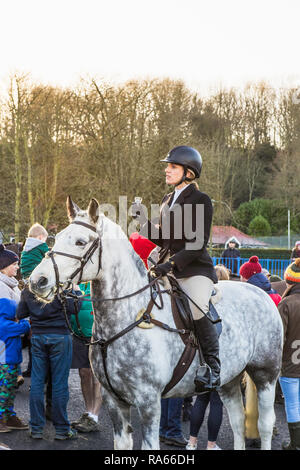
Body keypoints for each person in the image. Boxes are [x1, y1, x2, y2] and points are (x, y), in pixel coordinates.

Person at [132, 145, 220, 394]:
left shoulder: (201, 200)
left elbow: (197, 244)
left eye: (172, 166)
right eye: (167, 166)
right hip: (167, 268)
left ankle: (212, 367)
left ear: (189, 173)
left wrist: (169, 264)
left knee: (196, 308)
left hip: (195, 270)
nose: (166, 170)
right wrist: (142, 222)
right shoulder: (167, 200)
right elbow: (165, 240)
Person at [17, 285, 82, 440]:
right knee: (59, 383)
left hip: (38, 336)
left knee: (37, 382)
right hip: (60, 336)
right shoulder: (62, 286)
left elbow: (21, 313)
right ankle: (62, 430)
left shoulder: (30, 287)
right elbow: (76, 307)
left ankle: (36, 428)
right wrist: (77, 290)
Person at [185, 264, 225, 451]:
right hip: (217, 357)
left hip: (198, 358)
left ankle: (192, 442)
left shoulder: (194, 301)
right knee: (216, 401)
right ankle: (211, 445)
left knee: (200, 400)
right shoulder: (220, 303)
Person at [70, 282, 102, 433]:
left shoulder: (96, 282)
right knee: (84, 373)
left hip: (97, 337)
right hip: (79, 335)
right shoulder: (75, 283)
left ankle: (95, 416)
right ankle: (88, 411)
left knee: (97, 377)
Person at [20, 223, 49, 378]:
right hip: (37, 285)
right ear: (40, 238)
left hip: (26, 284)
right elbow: (52, 259)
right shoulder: (41, 247)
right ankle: (41, 370)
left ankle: (32, 368)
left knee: (32, 329)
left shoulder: (25, 248)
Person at [277, 258, 300, 450]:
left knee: (293, 405)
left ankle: (296, 443)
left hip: (290, 365)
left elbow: (279, 339)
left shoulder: (285, 303)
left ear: (289, 281)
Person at [0, 298, 30, 432]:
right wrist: (22, 319)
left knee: (10, 393)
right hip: (6, 365)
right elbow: (25, 326)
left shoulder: (7, 323)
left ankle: (9, 417)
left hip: (12, 364)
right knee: (4, 393)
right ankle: (1, 419)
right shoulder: (5, 325)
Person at [0, 244, 24, 388]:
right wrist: (24, 324)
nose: (17, 267)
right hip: (5, 338)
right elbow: (5, 315)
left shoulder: (11, 284)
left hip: (13, 334)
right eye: (14, 264)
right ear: (3, 266)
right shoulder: (1, 286)